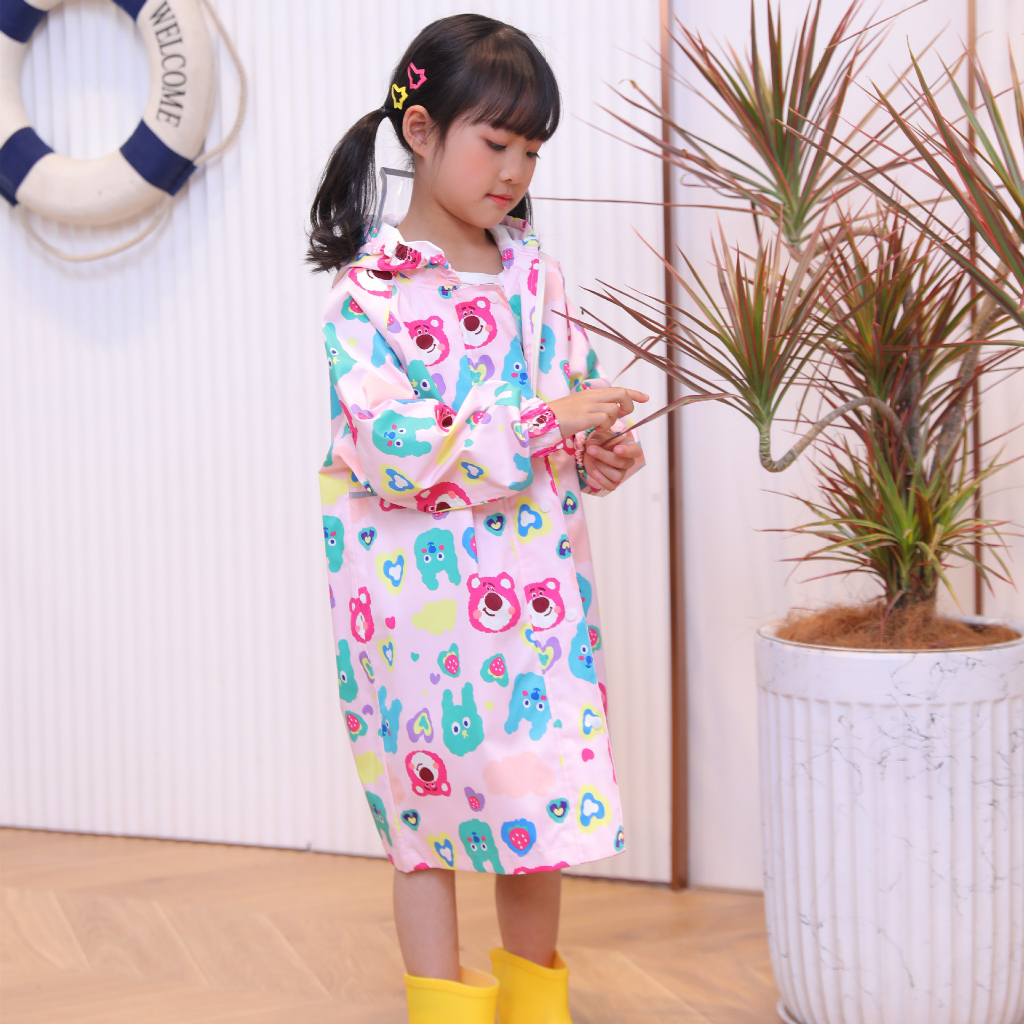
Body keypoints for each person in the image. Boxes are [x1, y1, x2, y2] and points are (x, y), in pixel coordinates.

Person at [307, 14, 648, 1023]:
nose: (514, 170)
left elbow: (567, 407)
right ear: (420, 131)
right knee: (425, 819)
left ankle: (533, 1005)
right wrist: (546, 423)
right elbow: (393, 448)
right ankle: (444, 1007)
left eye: (531, 150)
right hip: (420, 612)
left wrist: (596, 449)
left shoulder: (536, 276)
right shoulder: (369, 295)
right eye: (495, 142)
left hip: (539, 604)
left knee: (535, 810)